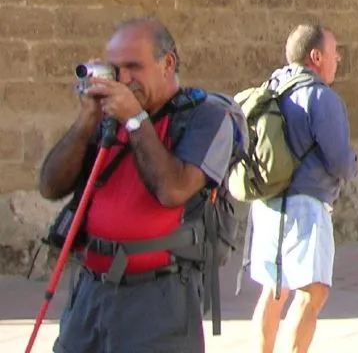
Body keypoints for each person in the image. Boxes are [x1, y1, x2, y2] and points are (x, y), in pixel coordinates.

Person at [38, 18, 237, 353]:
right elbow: (50, 186)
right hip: (90, 292)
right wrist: (87, 120)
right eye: (116, 69)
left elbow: (172, 190)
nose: (124, 80)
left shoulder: (208, 118)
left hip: (158, 298)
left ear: (168, 63)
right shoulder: (107, 119)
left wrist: (135, 120)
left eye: (134, 67)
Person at [249, 24, 358, 353]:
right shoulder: (321, 97)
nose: (337, 58)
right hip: (305, 208)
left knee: (274, 288)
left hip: (268, 203)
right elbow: (340, 160)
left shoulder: (273, 87)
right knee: (313, 292)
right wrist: (352, 166)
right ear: (316, 56)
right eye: (333, 51)